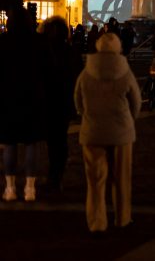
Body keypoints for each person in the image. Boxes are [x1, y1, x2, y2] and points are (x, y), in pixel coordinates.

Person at [74, 32, 141, 233]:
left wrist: (86, 114)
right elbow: (136, 101)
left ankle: (96, 222)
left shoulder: (87, 71)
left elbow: (78, 100)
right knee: (121, 178)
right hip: (121, 131)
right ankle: (123, 217)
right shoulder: (124, 70)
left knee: (95, 180)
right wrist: (129, 119)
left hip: (93, 130)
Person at [0, 7, 47, 202]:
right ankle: (29, 188)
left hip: (8, 98)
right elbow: (48, 72)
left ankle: (10, 188)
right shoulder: (39, 42)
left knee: (9, 144)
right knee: (31, 144)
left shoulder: (3, 42)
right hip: (32, 98)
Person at [42, 16, 83, 192]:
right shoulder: (71, 51)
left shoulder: (45, 51)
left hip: (49, 100)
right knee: (60, 139)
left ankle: (54, 174)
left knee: (53, 140)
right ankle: (57, 174)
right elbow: (78, 76)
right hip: (65, 100)